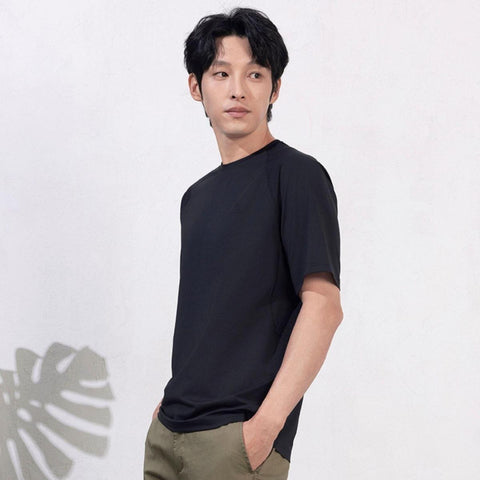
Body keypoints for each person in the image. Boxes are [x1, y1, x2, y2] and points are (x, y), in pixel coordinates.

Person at [144, 7, 343, 480]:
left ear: (274, 89)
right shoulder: (195, 198)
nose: (238, 89)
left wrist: (265, 427)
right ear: (196, 87)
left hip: (236, 441)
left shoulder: (297, 176)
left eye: (255, 74)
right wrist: (166, 410)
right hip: (169, 432)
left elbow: (323, 306)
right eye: (221, 73)